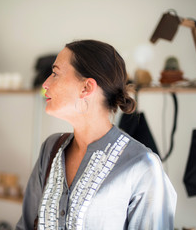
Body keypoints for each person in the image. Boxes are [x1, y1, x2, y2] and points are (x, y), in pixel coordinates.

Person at [16, 39, 177, 230]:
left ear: (86, 88)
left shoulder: (143, 166)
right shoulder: (51, 149)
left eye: (55, 73)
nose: (45, 83)